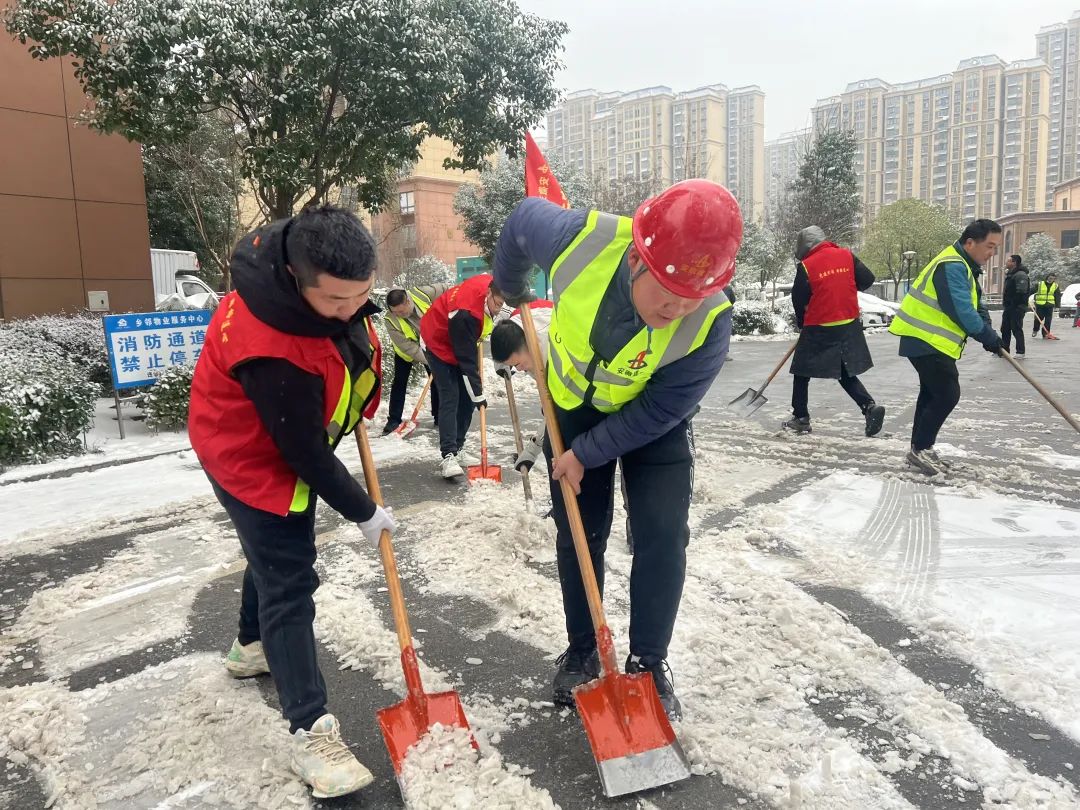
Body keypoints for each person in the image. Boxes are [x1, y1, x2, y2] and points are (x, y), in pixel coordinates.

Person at [492, 179, 741, 720]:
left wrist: (587, 454)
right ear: (635, 259)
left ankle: (648, 663)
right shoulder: (579, 240)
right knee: (580, 531)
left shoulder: (711, 322)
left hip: (653, 423)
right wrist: (509, 285)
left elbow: (660, 409)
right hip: (571, 409)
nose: (677, 309)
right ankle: (583, 650)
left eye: (692, 298)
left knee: (663, 533)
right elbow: (521, 219)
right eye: (667, 293)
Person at [187, 206, 396, 799]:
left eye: (362, 296)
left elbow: (339, 343)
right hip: (247, 458)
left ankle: (250, 646)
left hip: (278, 437)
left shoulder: (302, 275)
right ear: (294, 278)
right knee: (289, 578)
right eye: (335, 300)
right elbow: (303, 453)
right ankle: (310, 730)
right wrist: (363, 511)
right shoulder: (271, 347)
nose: (350, 310)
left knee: (270, 558)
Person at [888, 218, 1003, 476]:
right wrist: (987, 336)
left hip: (929, 341)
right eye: (989, 246)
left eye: (995, 248)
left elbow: (976, 305)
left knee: (932, 394)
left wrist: (989, 331)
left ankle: (919, 449)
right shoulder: (952, 265)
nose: (992, 253)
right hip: (925, 338)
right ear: (970, 242)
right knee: (946, 394)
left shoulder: (965, 265)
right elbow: (960, 310)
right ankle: (921, 449)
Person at [783, 226, 885, 437]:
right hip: (849, 323)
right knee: (844, 370)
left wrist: (803, 324)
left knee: (801, 371)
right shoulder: (846, 255)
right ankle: (868, 407)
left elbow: (798, 299)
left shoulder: (807, 266)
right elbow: (867, 279)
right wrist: (843, 286)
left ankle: (801, 418)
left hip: (819, 325)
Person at [419, 273, 505, 479]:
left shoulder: (493, 284)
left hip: (459, 339)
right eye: (498, 304)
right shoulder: (466, 313)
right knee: (451, 395)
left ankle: (458, 446)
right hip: (437, 342)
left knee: (467, 399)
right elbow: (467, 361)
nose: (499, 309)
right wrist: (479, 394)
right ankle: (448, 455)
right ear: (489, 293)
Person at [381, 284, 448, 434]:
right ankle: (393, 420)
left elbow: (446, 289)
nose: (398, 314)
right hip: (406, 352)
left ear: (408, 301)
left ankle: (439, 416)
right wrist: (432, 359)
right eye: (394, 312)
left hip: (431, 342)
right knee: (399, 382)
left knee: (437, 379)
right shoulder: (390, 320)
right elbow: (409, 347)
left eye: (401, 311)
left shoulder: (423, 294)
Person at [999, 254, 1029, 358]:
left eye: (1008, 261)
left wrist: (1014, 304)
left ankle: (1020, 352)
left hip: (1017, 307)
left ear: (1014, 262)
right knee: (1005, 329)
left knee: (1016, 329)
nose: (1006, 262)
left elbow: (1021, 292)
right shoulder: (1011, 274)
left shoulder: (1020, 275)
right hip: (1009, 307)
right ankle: (1005, 351)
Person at [1032, 273, 1062, 339]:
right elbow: (1031, 290)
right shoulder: (1040, 284)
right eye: (1050, 278)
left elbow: (1057, 296)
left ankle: (1045, 334)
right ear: (1047, 277)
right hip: (1040, 304)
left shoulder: (1055, 286)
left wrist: (1057, 305)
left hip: (1049, 305)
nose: (1051, 280)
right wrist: (1024, 297)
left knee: (1048, 320)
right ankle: (1035, 330)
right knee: (1038, 318)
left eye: (1053, 279)